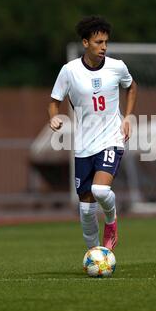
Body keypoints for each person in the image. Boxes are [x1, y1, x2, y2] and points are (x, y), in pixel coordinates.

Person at [49, 15, 137, 250]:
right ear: (85, 43)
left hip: (112, 139)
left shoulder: (116, 67)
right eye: (98, 42)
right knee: (86, 210)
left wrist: (127, 116)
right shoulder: (69, 71)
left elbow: (131, 86)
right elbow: (54, 101)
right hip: (84, 145)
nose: (104, 47)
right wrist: (54, 117)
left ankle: (111, 221)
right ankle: (95, 254)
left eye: (106, 42)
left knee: (100, 190)